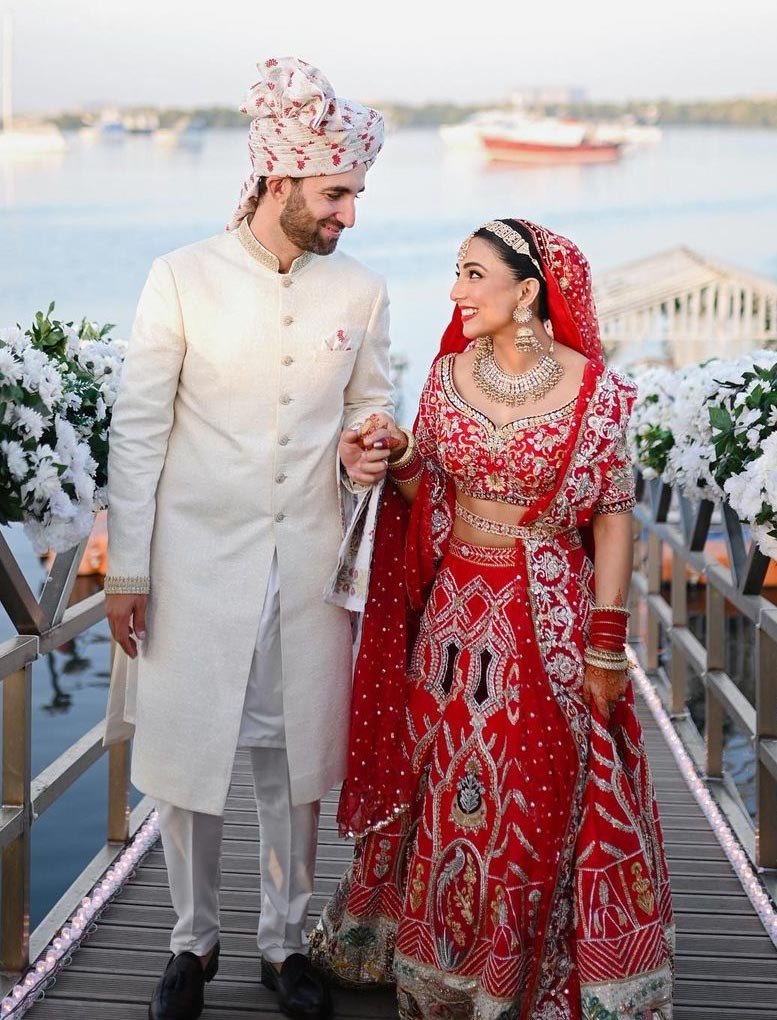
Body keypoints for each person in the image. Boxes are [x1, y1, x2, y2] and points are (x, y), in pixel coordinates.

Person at [311, 219, 674, 1020]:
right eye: (455, 272)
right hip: (451, 618)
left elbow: (613, 517)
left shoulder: (597, 391)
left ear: (526, 292)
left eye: (474, 275)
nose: (456, 291)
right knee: (438, 779)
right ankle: (429, 958)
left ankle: (514, 972)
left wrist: (605, 646)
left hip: (543, 613)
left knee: (532, 783)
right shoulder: (445, 378)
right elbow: (428, 497)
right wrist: (403, 452)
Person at [102, 56, 394, 1020]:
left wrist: (372, 446)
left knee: (295, 766)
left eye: (354, 192)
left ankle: (284, 944)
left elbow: (373, 406)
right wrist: (128, 570)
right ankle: (191, 945)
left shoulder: (358, 290)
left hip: (307, 566)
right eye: (337, 191)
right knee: (187, 766)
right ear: (280, 179)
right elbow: (138, 430)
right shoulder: (179, 277)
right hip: (192, 567)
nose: (349, 212)